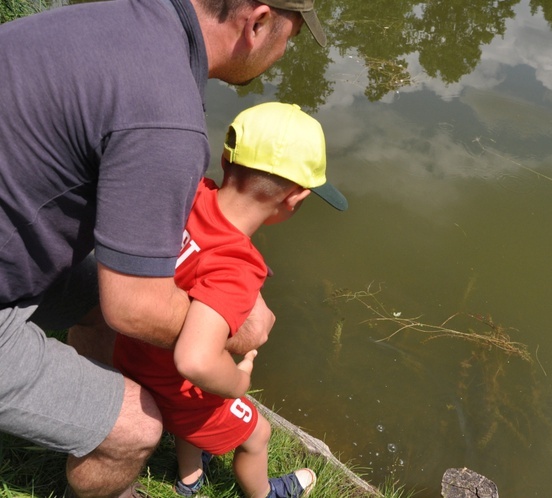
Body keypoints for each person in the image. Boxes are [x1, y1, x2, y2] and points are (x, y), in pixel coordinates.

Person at [0, 1, 326, 497]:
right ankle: (109, 447)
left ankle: (85, 408)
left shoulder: (122, 15)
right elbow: (135, 311)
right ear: (258, 22)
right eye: (291, 37)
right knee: (138, 426)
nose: (283, 54)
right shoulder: (167, 119)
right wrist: (236, 333)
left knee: (98, 303)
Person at [113, 102, 347, 498]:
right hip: (174, 383)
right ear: (296, 198)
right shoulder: (237, 267)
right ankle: (264, 495)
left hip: (135, 355)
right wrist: (237, 382)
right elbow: (195, 360)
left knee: (195, 417)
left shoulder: (193, 192)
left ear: (225, 159)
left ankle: (190, 478)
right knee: (258, 433)